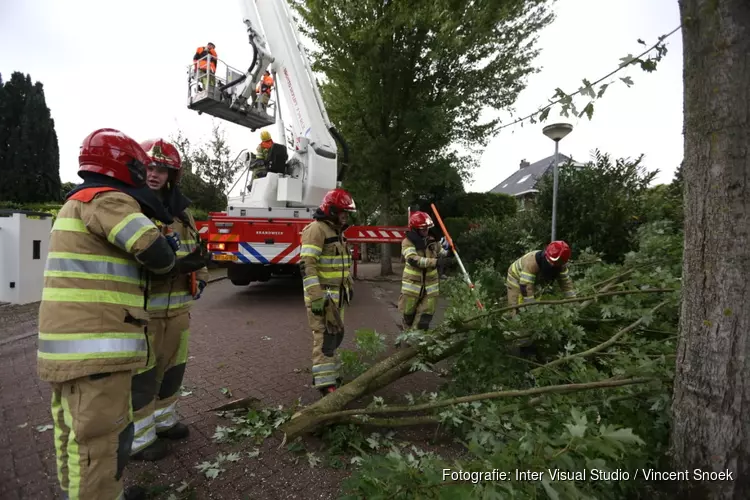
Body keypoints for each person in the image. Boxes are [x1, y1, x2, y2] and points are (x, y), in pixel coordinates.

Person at [38, 128, 180, 500]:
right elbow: (158, 255)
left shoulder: (80, 201)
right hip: (94, 350)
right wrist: (165, 243)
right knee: (99, 444)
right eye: (141, 167)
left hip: (82, 350)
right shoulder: (108, 201)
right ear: (125, 166)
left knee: (84, 440)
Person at [129, 138, 210, 461]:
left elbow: (196, 251)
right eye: (149, 167)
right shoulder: (132, 207)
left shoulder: (183, 213)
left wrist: (201, 277)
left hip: (179, 309)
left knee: (174, 369)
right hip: (145, 310)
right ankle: (139, 439)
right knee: (143, 374)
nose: (154, 174)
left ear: (172, 175)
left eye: (161, 169)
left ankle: (165, 420)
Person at [299, 188, 356, 395]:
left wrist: (349, 287)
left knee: (336, 336)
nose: (346, 216)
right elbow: (307, 265)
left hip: (336, 298)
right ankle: (325, 386)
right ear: (332, 210)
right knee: (324, 339)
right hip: (323, 298)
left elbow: (340, 265)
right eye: (343, 212)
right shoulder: (316, 230)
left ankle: (327, 374)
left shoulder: (336, 232)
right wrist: (316, 297)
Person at [398, 211, 451, 333]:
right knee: (408, 316)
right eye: (423, 229)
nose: (426, 231)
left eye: (427, 228)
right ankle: (407, 338)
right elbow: (414, 260)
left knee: (424, 319)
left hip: (430, 287)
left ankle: (415, 342)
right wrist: (435, 262)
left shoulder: (433, 242)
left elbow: (442, 252)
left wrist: (450, 252)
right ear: (415, 229)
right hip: (412, 286)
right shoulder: (407, 242)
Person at [506, 240, 576, 314]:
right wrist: (531, 307)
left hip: (534, 278)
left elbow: (566, 284)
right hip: (515, 276)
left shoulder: (561, 265)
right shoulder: (532, 263)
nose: (552, 265)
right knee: (515, 305)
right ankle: (513, 318)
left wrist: (573, 302)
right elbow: (526, 286)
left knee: (536, 296)